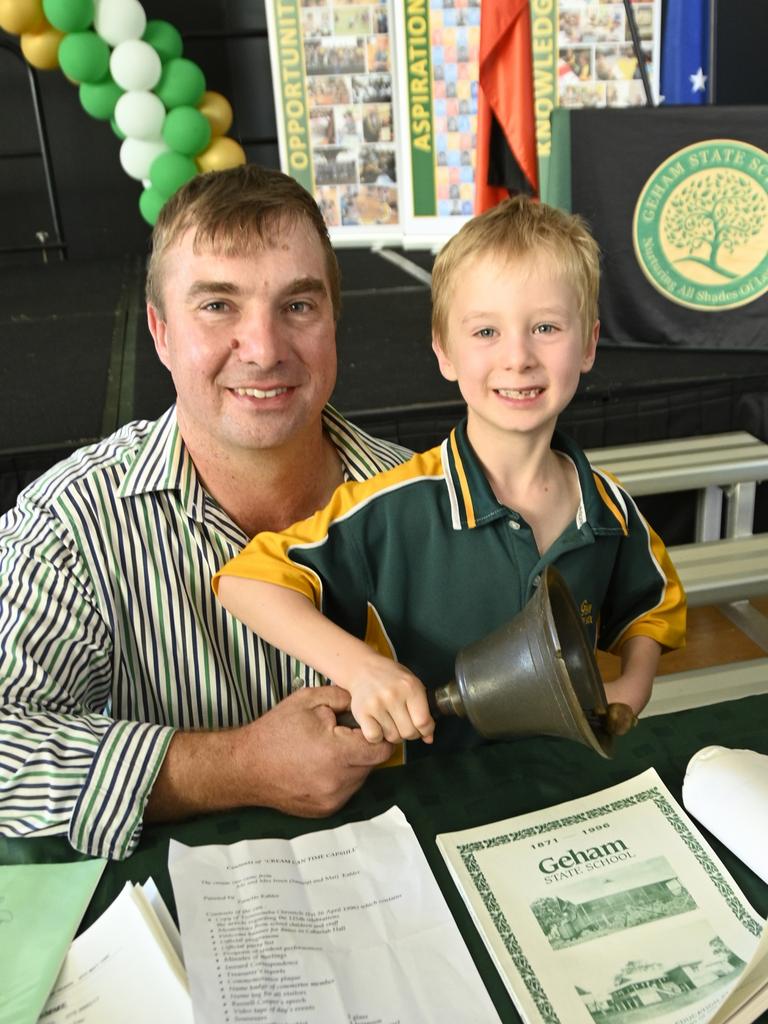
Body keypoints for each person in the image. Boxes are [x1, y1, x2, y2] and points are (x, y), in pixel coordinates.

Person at [0, 165, 410, 860]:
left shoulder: (423, 497)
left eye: (298, 306)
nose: (264, 349)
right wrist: (237, 767)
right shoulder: (73, 524)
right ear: (160, 332)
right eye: (218, 306)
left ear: (334, 319)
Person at [214, 197, 686, 752]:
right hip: (427, 800)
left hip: (560, 787)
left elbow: (655, 606)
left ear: (588, 344)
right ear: (445, 352)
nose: (518, 358)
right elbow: (248, 582)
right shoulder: (392, 507)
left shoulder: (609, 508)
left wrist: (633, 684)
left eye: (546, 327)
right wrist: (364, 670)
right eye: (486, 332)